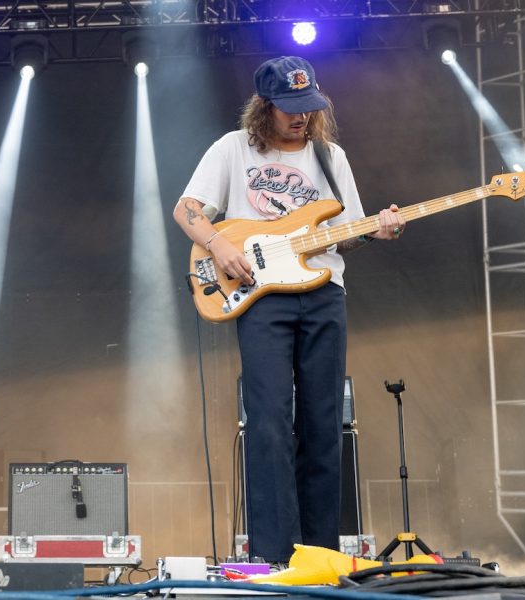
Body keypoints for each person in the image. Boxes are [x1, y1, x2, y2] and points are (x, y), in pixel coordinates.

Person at [172, 56, 406, 566]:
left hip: (324, 295)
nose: (300, 118)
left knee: (325, 422)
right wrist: (218, 244)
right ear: (265, 106)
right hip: (261, 296)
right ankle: (273, 556)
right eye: (289, 109)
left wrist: (378, 229)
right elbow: (186, 209)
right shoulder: (232, 150)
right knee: (270, 422)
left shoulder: (330, 157)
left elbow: (349, 236)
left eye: (308, 108)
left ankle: (319, 555)